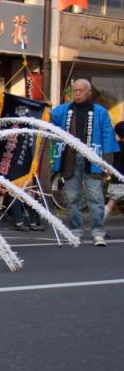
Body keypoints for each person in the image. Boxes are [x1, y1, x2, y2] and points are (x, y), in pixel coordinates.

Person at [50, 78, 120, 246]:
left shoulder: (101, 112)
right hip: (69, 158)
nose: (77, 93)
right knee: (72, 197)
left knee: (95, 197)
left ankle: (98, 232)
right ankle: (76, 231)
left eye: (80, 90)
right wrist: (43, 107)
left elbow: (108, 136)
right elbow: (48, 118)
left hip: (93, 158)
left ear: (89, 92)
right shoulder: (63, 110)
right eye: (75, 90)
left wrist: (107, 162)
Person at [104, 121, 124, 220]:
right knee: (112, 203)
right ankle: (99, 219)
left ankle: (99, 219)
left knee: (112, 202)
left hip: (116, 178)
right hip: (121, 178)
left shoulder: (116, 146)